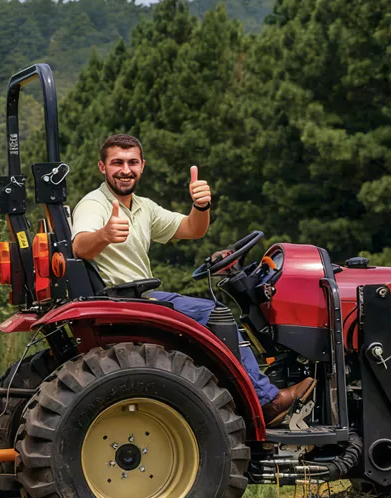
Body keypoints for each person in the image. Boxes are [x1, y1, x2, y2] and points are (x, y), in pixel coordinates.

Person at [70, 133, 314, 426]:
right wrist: (105, 235)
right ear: (102, 167)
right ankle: (267, 401)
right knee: (216, 313)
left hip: (137, 295)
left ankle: (245, 394)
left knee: (210, 313)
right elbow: (79, 246)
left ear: (142, 166)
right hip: (127, 299)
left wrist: (200, 206)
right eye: (117, 163)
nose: (125, 170)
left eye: (132, 162)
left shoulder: (143, 207)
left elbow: (191, 229)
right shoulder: (94, 204)